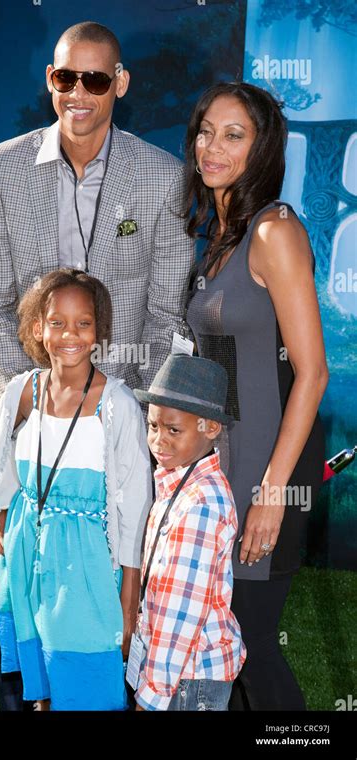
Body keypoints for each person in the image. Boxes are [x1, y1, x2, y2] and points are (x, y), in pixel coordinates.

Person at [0, 21, 194, 708]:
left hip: (118, 437)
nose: (80, 93)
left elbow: (166, 315)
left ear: (119, 85)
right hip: (28, 429)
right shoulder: (0, 167)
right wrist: (36, 395)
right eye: (67, 78)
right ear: (50, 80)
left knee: (109, 620)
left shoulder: (160, 176)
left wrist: (112, 410)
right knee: (23, 608)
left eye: (96, 79)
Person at [184, 82, 328, 710]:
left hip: (271, 470)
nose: (212, 146)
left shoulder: (275, 231)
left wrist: (272, 494)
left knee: (252, 646)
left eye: (233, 135)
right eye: (206, 130)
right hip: (224, 466)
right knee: (224, 643)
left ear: (263, 149)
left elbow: (313, 372)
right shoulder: (217, 236)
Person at [0, 269, 152, 711]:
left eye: (83, 323)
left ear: (98, 331)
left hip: (89, 570)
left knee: (87, 686)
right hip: (31, 563)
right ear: (38, 328)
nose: (70, 334)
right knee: (45, 688)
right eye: (57, 322)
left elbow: (135, 509)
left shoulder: (119, 405)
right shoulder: (22, 391)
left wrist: (129, 602)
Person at [129, 354, 246, 711]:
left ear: (211, 428)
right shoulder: (177, 482)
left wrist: (150, 696)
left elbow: (181, 613)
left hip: (187, 682)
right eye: (152, 426)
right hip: (175, 670)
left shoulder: (201, 504)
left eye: (173, 430)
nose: (158, 440)